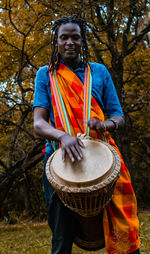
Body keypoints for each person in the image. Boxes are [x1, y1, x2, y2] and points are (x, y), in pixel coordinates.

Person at [33, 15, 140, 254]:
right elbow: (39, 123)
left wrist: (105, 124)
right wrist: (62, 136)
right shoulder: (46, 74)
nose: (69, 42)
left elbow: (117, 115)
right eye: (64, 37)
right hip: (59, 161)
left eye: (75, 37)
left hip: (103, 158)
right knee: (61, 239)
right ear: (56, 41)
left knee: (124, 226)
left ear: (83, 41)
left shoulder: (99, 72)